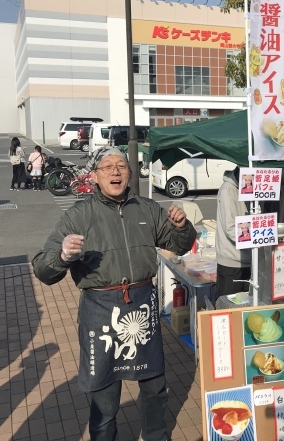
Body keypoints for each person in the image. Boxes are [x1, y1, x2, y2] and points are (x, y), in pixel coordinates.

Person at [32, 147, 196, 441]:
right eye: (107, 166)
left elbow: (179, 245)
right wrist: (64, 255)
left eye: (121, 165)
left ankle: (157, 436)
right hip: (101, 311)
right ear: (94, 176)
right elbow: (44, 270)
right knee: (104, 395)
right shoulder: (79, 214)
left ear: (130, 173)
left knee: (155, 386)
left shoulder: (147, 208)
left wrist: (182, 228)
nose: (115, 171)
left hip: (142, 307)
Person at [216, 166, 251, 299]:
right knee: (228, 309)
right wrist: (259, 237)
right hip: (231, 263)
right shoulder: (228, 190)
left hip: (252, 261)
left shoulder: (253, 188)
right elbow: (231, 228)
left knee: (248, 307)